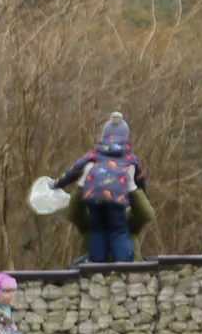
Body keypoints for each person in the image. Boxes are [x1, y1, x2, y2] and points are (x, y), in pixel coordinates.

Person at [57, 111, 148, 264]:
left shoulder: (92, 155)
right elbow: (141, 178)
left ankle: (97, 261)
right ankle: (124, 262)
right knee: (118, 230)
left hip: (93, 197)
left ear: (103, 137)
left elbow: (74, 170)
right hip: (117, 198)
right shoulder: (130, 159)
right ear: (126, 138)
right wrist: (140, 192)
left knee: (97, 229)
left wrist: (57, 183)